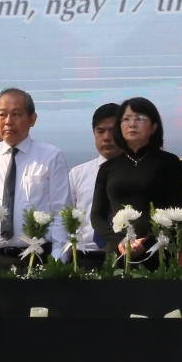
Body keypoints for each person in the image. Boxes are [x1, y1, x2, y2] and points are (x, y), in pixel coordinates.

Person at [0, 89, 69, 269]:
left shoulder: (51, 156)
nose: (8, 121)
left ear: (32, 119)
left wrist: (56, 263)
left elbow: (61, 213)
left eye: (16, 114)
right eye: (2, 115)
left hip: (36, 258)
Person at [92, 97, 182, 263]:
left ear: (154, 127)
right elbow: (97, 216)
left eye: (140, 119)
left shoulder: (168, 163)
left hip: (157, 250)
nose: (132, 124)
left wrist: (147, 242)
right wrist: (119, 242)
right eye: (126, 119)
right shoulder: (108, 168)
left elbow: (177, 210)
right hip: (119, 252)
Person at [67, 104, 121, 265]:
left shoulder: (136, 174)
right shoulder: (77, 174)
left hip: (125, 256)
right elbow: (65, 218)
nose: (107, 137)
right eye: (100, 131)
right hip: (84, 257)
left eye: (113, 131)